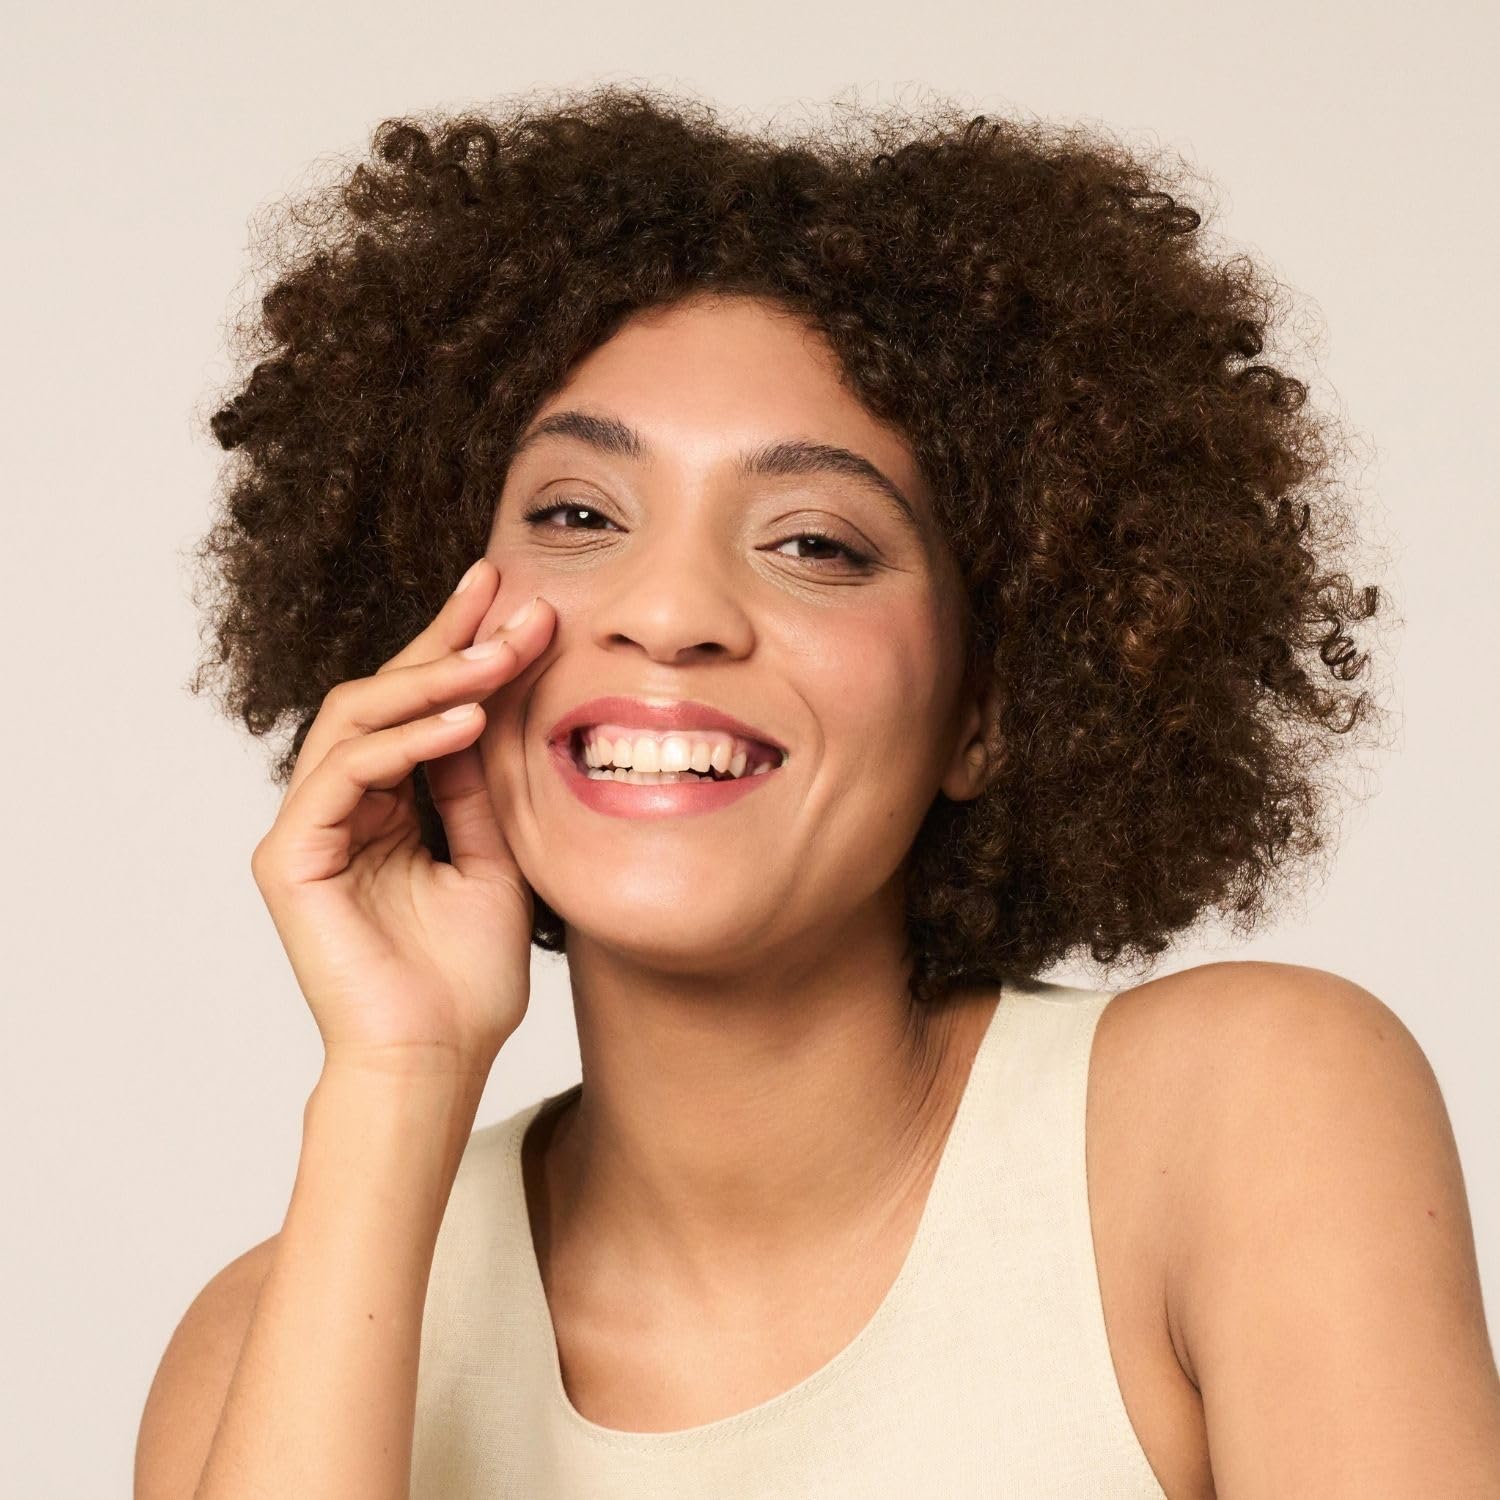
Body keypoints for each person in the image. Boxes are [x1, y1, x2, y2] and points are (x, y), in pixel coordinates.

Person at [135, 85, 1500, 1497]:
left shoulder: (1238, 1120)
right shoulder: (259, 1347)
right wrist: (396, 1075)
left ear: (989, 710)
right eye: (579, 515)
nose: (669, 613)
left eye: (816, 545)